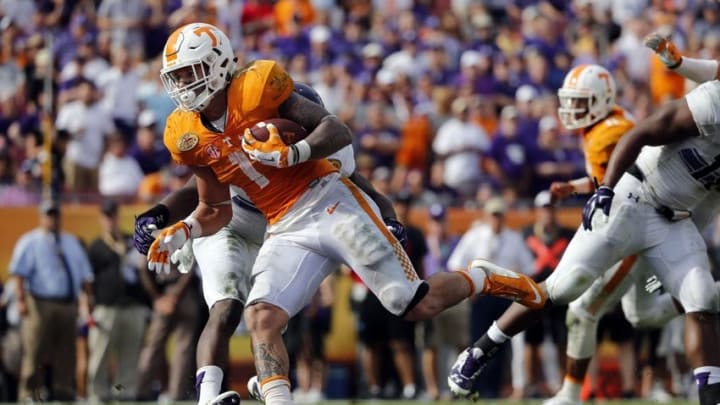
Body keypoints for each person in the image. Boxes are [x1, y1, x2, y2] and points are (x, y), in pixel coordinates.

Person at [146, 22, 545, 405]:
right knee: (261, 316)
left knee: (412, 304)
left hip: (329, 200)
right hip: (283, 225)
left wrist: (294, 153)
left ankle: (484, 276)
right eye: (177, 76)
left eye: (191, 72)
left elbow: (336, 130)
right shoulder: (185, 133)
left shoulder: (257, 86)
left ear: (219, 62)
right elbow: (215, 207)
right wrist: (183, 230)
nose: (183, 84)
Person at [448, 66, 720, 405]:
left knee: (699, 299)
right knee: (567, 288)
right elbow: (637, 137)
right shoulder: (712, 104)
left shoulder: (609, 126)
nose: (572, 111)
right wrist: (604, 189)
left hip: (674, 223)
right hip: (633, 200)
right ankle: (480, 351)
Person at [134, 80, 405, 405]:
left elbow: (363, 187)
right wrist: (160, 214)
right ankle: (208, 398)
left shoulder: (325, 147)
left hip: (279, 231)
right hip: (231, 223)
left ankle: (269, 385)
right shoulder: (249, 135)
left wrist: (388, 219)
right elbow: (197, 189)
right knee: (226, 305)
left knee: (272, 317)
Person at [8, 199, 94, 401]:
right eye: (48, 215)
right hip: (39, 302)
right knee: (36, 349)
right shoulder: (30, 241)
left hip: (67, 303)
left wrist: (87, 297)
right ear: (41, 217)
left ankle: (63, 391)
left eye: (55, 215)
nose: (52, 219)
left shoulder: (71, 242)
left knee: (66, 351)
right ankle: (31, 392)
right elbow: (18, 273)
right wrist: (21, 300)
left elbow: (84, 274)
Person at [85, 200, 148, 401]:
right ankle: (97, 394)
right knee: (100, 355)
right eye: (106, 216)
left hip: (133, 306)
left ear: (117, 216)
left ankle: (124, 393)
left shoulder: (132, 241)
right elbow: (87, 281)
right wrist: (88, 309)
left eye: (113, 215)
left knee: (129, 356)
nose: (110, 220)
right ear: (101, 219)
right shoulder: (96, 246)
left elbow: (144, 271)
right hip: (106, 307)